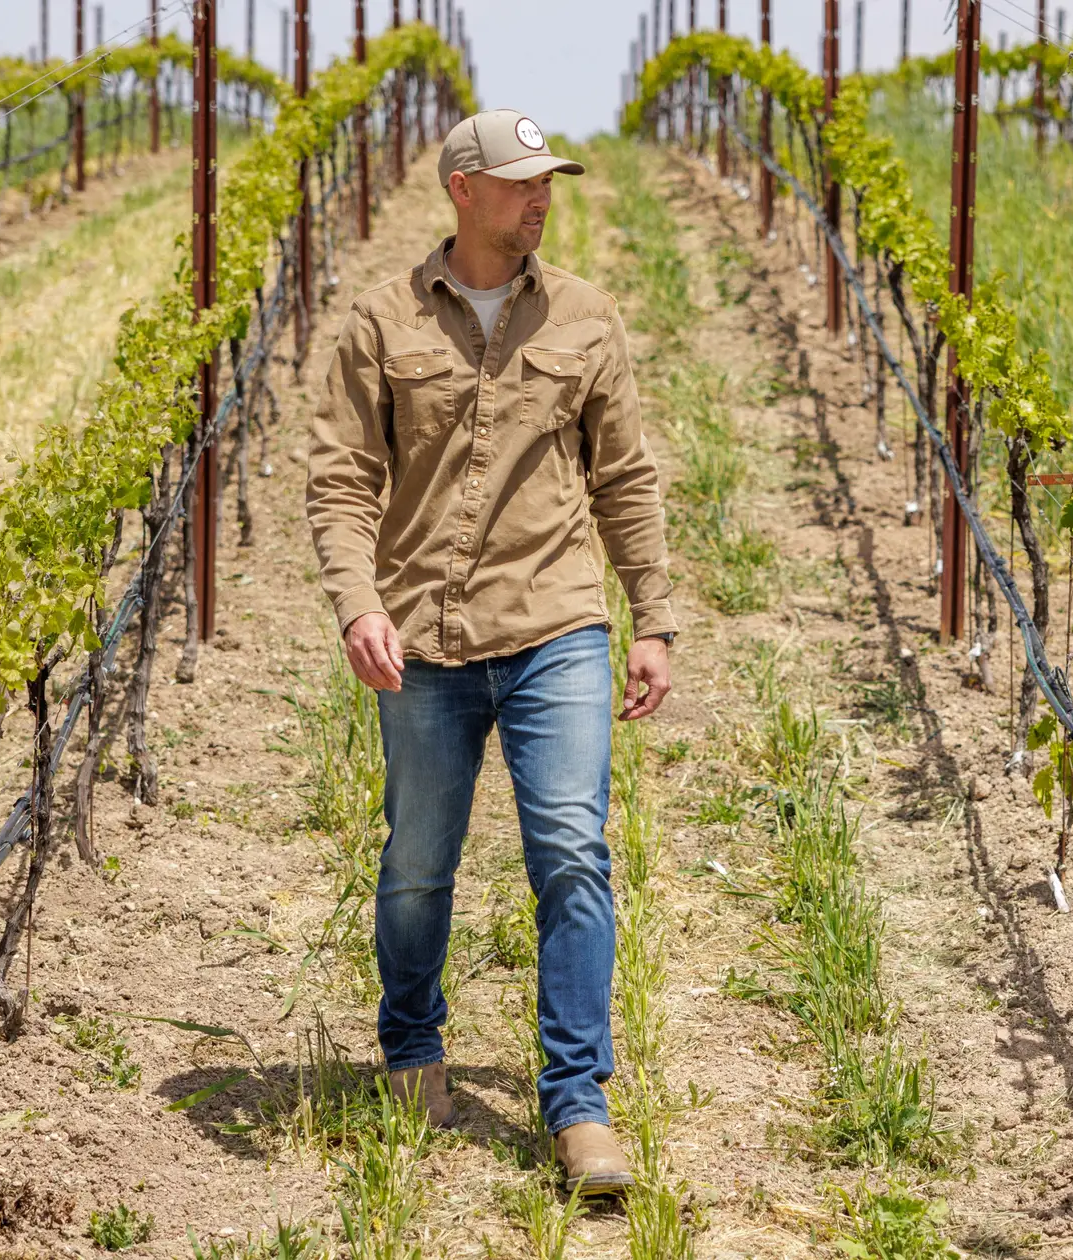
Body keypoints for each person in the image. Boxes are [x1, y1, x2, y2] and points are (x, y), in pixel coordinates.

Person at [305, 109, 677, 1197]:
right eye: (520, 183)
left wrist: (650, 615)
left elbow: (625, 477)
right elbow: (337, 482)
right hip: (421, 634)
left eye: (548, 182)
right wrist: (357, 605)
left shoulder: (585, 317)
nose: (540, 198)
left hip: (558, 622)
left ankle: (578, 1105)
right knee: (419, 860)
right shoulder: (380, 324)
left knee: (571, 853)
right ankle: (413, 1048)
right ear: (462, 189)